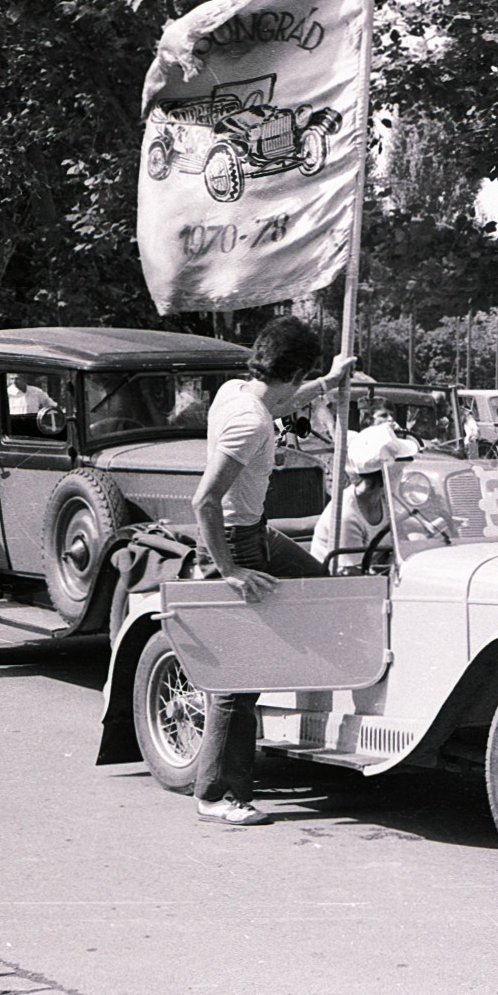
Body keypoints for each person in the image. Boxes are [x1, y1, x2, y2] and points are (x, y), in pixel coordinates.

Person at [190, 316, 353, 826]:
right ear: (295, 367)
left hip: (255, 531)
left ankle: (313, 707)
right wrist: (231, 570)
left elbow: (280, 400)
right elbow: (205, 502)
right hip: (236, 541)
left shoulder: (237, 391)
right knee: (240, 676)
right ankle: (217, 794)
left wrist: (328, 382)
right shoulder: (251, 423)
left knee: (326, 593)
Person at [310, 428, 413, 573]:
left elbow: (403, 541)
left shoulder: (386, 499)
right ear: (387, 473)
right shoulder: (346, 515)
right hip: (341, 586)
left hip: (375, 574)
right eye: (399, 469)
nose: (401, 474)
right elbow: (352, 574)